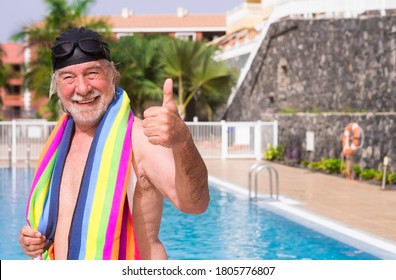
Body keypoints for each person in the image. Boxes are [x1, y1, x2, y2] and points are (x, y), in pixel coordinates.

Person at [18, 27, 209, 260]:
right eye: (68, 77)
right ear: (56, 86)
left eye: (92, 73)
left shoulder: (138, 139)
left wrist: (183, 142)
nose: (82, 88)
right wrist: (33, 241)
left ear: (112, 75)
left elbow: (195, 204)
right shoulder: (58, 143)